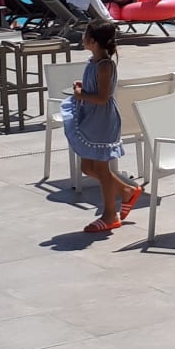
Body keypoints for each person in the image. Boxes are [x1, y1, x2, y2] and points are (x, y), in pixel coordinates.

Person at [63, 19, 142, 233]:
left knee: (101, 168)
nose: (82, 38)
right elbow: (96, 90)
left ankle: (110, 214)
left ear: (93, 41)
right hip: (92, 117)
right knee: (87, 167)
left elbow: (102, 97)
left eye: (85, 35)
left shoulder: (105, 65)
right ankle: (126, 190)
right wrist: (83, 88)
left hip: (102, 120)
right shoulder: (93, 63)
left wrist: (80, 94)